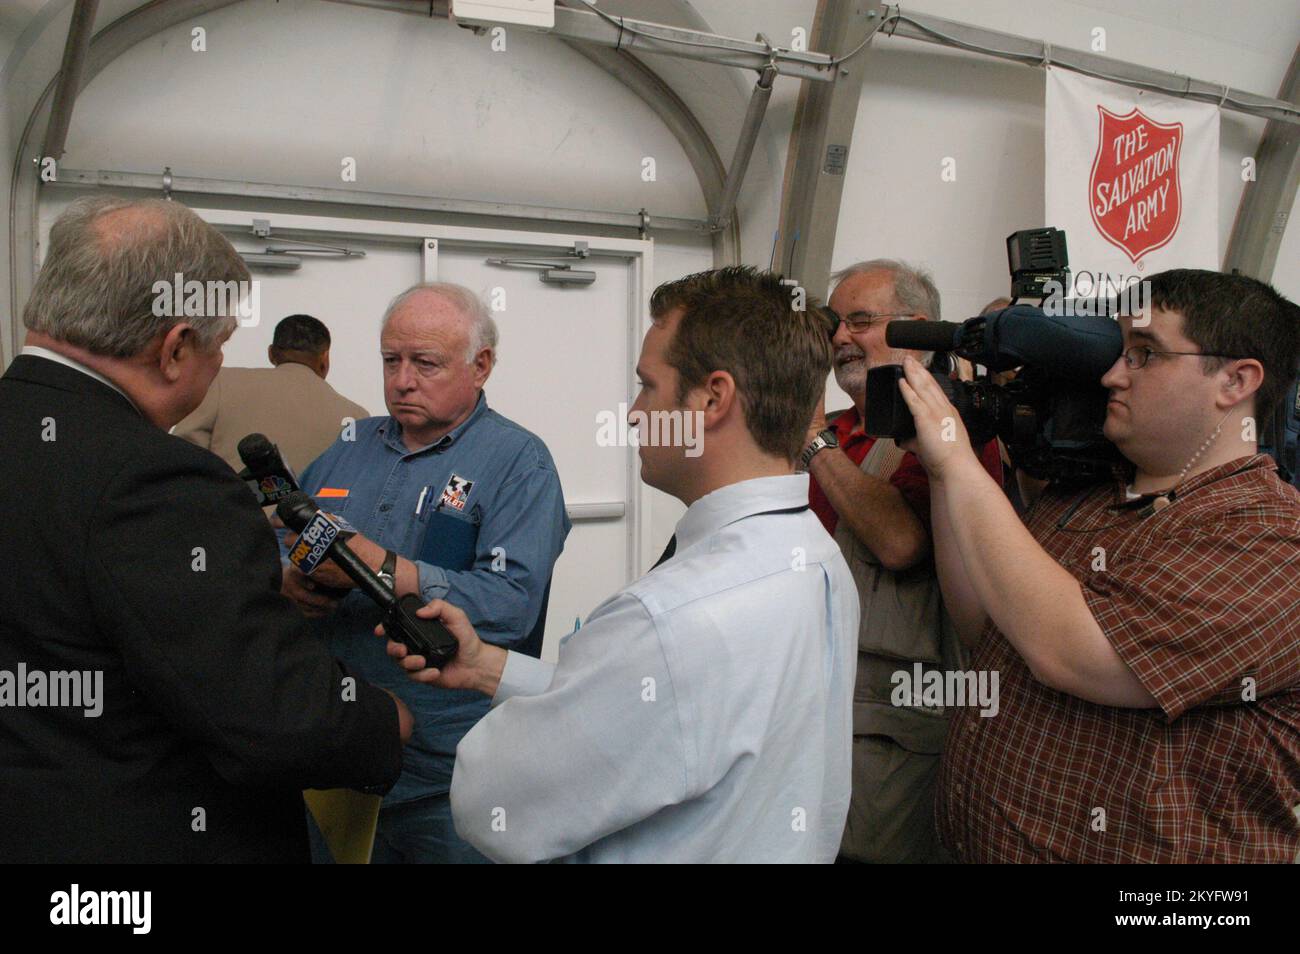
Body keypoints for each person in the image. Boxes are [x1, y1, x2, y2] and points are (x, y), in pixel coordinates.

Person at [386, 266, 858, 863]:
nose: (633, 413)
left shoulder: (668, 619)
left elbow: (492, 806)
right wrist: (488, 668)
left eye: (647, 386)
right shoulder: (815, 558)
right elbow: (665, 713)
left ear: (712, 398)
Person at [0, 196, 409, 863]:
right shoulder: (158, 483)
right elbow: (272, 719)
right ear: (177, 347)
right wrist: (379, 722)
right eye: (220, 346)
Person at [898, 267, 1300, 863]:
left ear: (1235, 381)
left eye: (1144, 354)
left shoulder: (1271, 541)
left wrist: (959, 465)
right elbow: (986, 626)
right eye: (1119, 349)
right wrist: (941, 474)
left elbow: (1073, 654)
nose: (1112, 373)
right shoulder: (1089, 494)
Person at [280, 282, 569, 863]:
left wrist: (385, 570)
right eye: (392, 360)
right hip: (335, 752)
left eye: (425, 363)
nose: (402, 380)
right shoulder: (347, 445)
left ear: (480, 365)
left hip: (446, 775)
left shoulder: (519, 463)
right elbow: (281, 540)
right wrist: (287, 576)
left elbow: (511, 605)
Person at [802, 259, 1001, 863]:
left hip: (897, 729)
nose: (840, 338)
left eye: (860, 321)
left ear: (916, 329)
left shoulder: (952, 433)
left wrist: (813, 443)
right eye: (836, 324)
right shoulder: (836, 431)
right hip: (813, 704)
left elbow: (901, 543)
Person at [174, 313, 369, 475]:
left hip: (226, 518)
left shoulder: (219, 382)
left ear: (271, 353)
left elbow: (181, 456)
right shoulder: (356, 417)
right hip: (309, 521)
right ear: (325, 358)